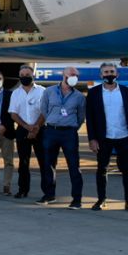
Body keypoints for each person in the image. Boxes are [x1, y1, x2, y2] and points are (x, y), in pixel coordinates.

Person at [86, 63, 128, 213]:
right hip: (104, 138)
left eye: (111, 71)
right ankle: (101, 200)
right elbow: (89, 118)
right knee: (102, 170)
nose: (108, 74)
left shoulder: (126, 91)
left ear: (117, 74)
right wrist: (92, 139)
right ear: (100, 75)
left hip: (124, 136)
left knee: (127, 170)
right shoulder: (94, 93)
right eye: (105, 72)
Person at [37, 66, 85, 208]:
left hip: (69, 133)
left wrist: (72, 126)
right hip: (51, 131)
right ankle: (49, 194)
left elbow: (81, 116)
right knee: (48, 164)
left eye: (76, 75)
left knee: (74, 166)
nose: (74, 77)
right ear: (63, 75)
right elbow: (44, 109)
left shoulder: (79, 96)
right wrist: (52, 121)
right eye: (71, 74)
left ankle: (76, 199)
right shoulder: (49, 91)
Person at [8, 65, 45, 199]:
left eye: (27, 74)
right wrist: (26, 127)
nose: (24, 77)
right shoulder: (16, 93)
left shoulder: (42, 91)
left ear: (33, 75)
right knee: (23, 162)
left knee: (44, 161)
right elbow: (13, 114)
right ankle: (23, 190)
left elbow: (45, 111)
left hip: (40, 130)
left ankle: (48, 191)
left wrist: (35, 127)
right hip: (23, 130)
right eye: (22, 75)